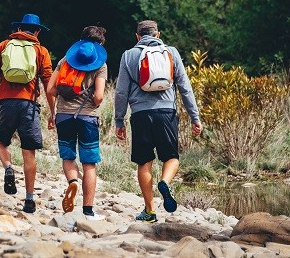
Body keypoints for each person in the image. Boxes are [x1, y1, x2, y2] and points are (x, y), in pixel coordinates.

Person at [114, 20, 203, 223]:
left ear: (137, 36)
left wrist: (119, 120)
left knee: (144, 163)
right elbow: (185, 86)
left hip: (140, 115)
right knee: (171, 156)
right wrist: (194, 117)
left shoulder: (128, 55)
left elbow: (120, 92)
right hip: (166, 113)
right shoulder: (171, 52)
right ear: (158, 34)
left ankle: (149, 210)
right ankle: (165, 181)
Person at [0, 13, 52, 214]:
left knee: (1, 143)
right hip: (29, 105)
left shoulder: (3, 46)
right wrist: (53, 111)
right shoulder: (41, 50)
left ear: (19, 29)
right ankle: (29, 200)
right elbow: (48, 83)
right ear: (37, 31)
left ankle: (9, 167)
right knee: (29, 152)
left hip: (5, 102)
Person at [46, 26, 108, 220]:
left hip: (64, 116)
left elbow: (50, 89)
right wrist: (91, 100)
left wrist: (55, 110)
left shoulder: (65, 61)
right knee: (89, 164)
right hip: (87, 117)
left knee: (68, 157)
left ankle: (73, 181)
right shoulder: (100, 65)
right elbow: (98, 97)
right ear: (99, 45)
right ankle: (88, 211)